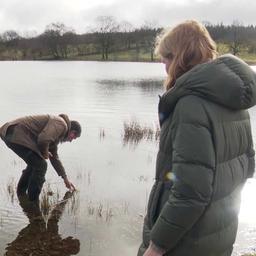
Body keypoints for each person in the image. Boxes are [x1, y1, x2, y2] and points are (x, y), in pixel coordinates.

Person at [137, 20, 256, 256]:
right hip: (218, 237)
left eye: (166, 61)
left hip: (184, 243)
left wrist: (156, 246)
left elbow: (191, 192)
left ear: (180, 58)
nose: (165, 68)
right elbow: (248, 166)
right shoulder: (234, 102)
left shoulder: (190, 105)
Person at [0, 114, 81, 201]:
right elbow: (43, 139)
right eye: (74, 137)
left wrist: (65, 179)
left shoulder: (57, 134)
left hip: (10, 132)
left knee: (35, 164)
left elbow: (54, 158)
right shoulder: (61, 124)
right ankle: (33, 203)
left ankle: (21, 194)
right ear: (73, 131)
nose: (71, 140)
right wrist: (45, 153)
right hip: (14, 133)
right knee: (41, 165)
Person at [5, 191, 80, 255]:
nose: (68, 238)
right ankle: (23, 197)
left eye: (69, 240)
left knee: (40, 222)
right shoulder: (57, 245)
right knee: (44, 222)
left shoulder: (56, 245)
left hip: (33, 240)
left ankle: (22, 197)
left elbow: (53, 220)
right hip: (33, 241)